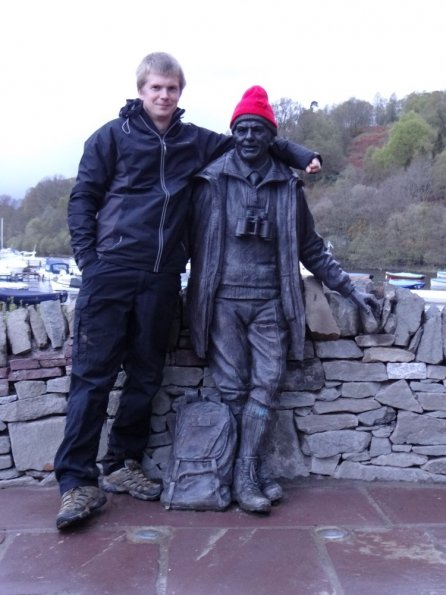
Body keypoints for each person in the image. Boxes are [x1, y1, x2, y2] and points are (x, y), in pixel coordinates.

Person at [54, 52, 323, 530]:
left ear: (180, 93)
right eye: (155, 88)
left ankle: (122, 465)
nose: (163, 95)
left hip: (161, 276)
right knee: (92, 379)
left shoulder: (194, 141)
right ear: (141, 90)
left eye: (171, 89)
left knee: (145, 373)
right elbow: (84, 200)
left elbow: (256, 141)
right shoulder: (110, 138)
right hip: (111, 270)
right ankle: (76, 482)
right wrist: (90, 263)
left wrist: (303, 155)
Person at [187, 85, 378, 513]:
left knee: (267, 384)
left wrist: (348, 288)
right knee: (234, 389)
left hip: (271, 301)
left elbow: (310, 248)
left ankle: (247, 469)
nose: (250, 137)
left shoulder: (287, 188)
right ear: (233, 132)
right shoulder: (211, 180)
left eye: (258, 129)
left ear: (271, 136)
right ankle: (248, 473)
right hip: (223, 301)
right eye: (243, 129)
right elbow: (183, 239)